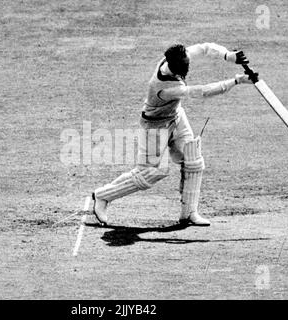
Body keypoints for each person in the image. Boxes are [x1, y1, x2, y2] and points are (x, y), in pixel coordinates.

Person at [92, 43, 256, 226]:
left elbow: (204, 48)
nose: (182, 75)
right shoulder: (162, 87)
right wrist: (237, 81)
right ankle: (102, 196)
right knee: (152, 172)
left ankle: (189, 213)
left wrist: (228, 56)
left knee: (193, 161)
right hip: (154, 127)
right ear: (173, 68)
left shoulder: (178, 56)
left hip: (176, 117)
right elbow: (201, 92)